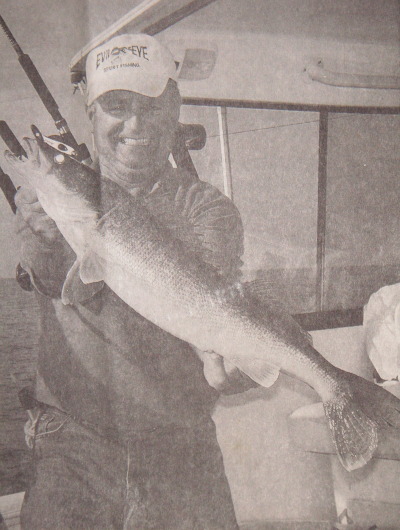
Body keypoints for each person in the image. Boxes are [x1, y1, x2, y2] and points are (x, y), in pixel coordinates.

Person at [10, 34, 255, 529]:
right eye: (117, 107)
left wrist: (228, 360)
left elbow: (200, 305)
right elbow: (59, 282)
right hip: (72, 443)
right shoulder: (53, 199)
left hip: (178, 444)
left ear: (174, 110)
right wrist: (43, 235)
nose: (135, 125)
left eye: (151, 107)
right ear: (92, 115)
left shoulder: (208, 209)